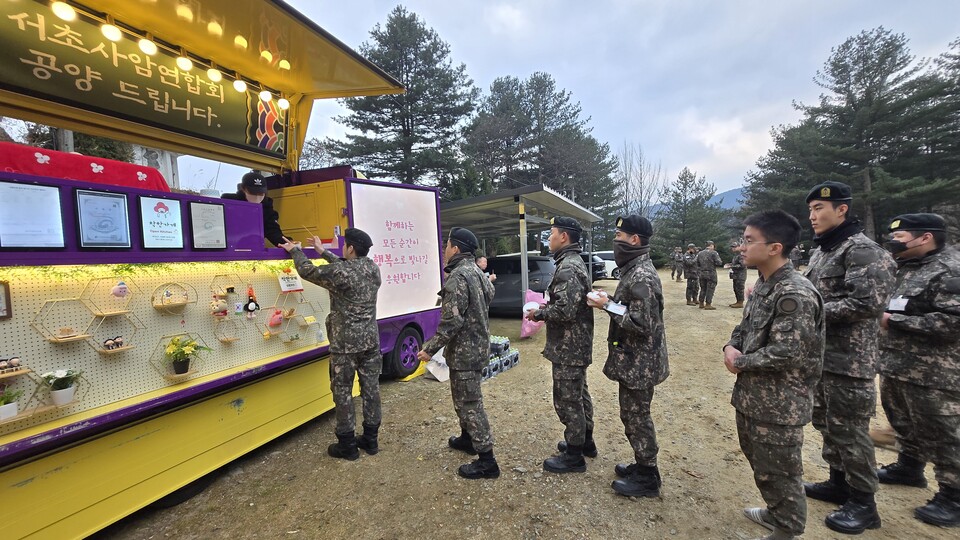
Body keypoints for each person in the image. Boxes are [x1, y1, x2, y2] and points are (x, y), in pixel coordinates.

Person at [801, 181, 896, 534]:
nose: (813, 216)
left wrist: (810, 310)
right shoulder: (824, 250)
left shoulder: (863, 251)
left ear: (842, 209)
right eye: (810, 210)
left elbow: (866, 304)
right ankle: (838, 482)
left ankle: (864, 502)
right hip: (823, 357)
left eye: (819, 209)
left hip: (849, 362)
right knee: (828, 424)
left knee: (851, 431)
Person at [723, 210, 825, 540]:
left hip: (780, 405)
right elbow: (744, 327)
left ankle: (787, 529)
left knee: (781, 470)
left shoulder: (794, 293)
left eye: (749, 241)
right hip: (755, 397)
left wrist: (741, 362)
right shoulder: (766, 285)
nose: (742, 247)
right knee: (763, 465)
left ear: (774, 248)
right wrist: (730, 346)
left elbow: (788, 352)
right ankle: (775, 511)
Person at [877, 213, 960, 527]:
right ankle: (909, 468)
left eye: (900, 237)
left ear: (926, 237)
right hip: (898, 364)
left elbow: (953, 322)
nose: (894, 241)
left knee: (942, 431)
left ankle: (953, 496)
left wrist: (893, 321)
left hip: (936, 372)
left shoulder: (950, 269)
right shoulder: (905, 267)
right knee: (902, 418)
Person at [278, 228, 382, 461]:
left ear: (351, 248)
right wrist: (323, 251)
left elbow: (308, 271)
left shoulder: (342, 272)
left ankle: (347, 446)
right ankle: (371, 440)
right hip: (370, 343)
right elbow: (345, 270)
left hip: (345, 345)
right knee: (371, 391)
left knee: (343, 392)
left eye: (345, 245)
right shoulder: (373, 268)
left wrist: (295, 250)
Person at [587, 215, 668, 498]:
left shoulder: (642, 275)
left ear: (634, 239)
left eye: (619, 235)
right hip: (634, 360)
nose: (615, 240)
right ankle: (643, 464)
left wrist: (607, 305)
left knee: (637, 416)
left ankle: (647, 476)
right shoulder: (633, 270)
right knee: (632, 415)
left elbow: (642, 323)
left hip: (640, 363)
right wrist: (609, 301)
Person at [417, 227, 499, 479]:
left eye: (447, 245)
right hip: (476, 348)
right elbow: (490, 295)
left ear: (456, 248)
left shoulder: (458, 278)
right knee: (463, 399)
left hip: (466, 353)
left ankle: (487, 460)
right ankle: (467, 438)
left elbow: (451, 322)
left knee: (470, 403)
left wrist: (429, 349)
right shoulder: (478, 272)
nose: (444, 250)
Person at [526, 217, 595, 473]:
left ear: (563, 237)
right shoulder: (572, 262)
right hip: (574, 345)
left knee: (568, 399)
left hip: (569, 346)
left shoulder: (568, 266)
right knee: (579, 394)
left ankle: (574, 455)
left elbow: (565, 310)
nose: (549, 238)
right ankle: (585, 442)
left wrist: (539, 314)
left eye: (552, 233)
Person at [222, 171, 287, 246]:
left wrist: (286, 243)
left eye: (261, 193)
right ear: (243, 189)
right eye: (253, 193)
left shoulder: (266, 206)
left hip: (254, 247)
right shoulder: (229, 202)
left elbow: (272, 229)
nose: (257, 197)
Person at [697, 240, 724, 309]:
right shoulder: (714, 253)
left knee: (703, 288)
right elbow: (719, 262)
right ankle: (708, 304)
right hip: (711, 273)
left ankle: (701, 303)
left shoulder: (700, 253)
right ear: (711, 245)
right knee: (710, 289)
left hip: (702, 273)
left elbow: (697, 263)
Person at [728, 240, 748, 308]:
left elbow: (742, 265)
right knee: (735, 288)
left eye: (734, 247)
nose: (733, 248)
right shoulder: (736, 255)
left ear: (739, 247)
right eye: (732, 247)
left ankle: (740, 302)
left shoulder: (741, 255)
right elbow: (736, 264)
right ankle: (738, 301)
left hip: (740, 275)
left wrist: (732, 266)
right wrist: (730, 264)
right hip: (736, 275)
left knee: (739, 289)